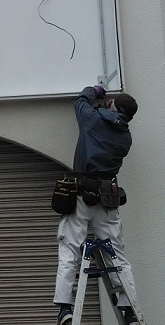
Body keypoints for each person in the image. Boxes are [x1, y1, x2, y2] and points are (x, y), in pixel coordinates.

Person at [54, 85, 141, 325]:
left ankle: (65, 309)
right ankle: (130, 311)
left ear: (113, 105)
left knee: (70, 248)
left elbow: (80, 101)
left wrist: (94, 90)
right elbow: (110, 125)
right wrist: (107, 108)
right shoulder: (126, 137)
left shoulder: (91, 119)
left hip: (81, 196)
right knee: (118, 256)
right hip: (107, 199)